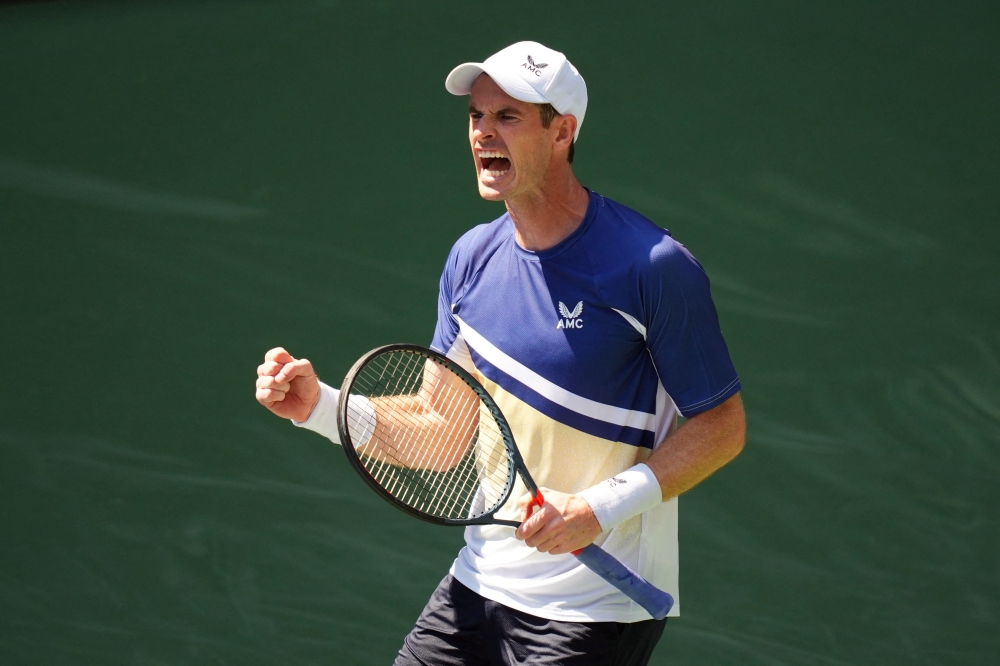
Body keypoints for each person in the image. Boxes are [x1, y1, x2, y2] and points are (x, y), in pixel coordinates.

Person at [255, 41, 746, 666]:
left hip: (595, 609)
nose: (483, 133)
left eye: (508, 116)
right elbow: (442, 430)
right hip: (478, 584)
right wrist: (320, 407)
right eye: (476, 116)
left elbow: (721, 428)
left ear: (562, 132)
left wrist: (598, 509)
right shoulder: (471, 259)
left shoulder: (652, 267)